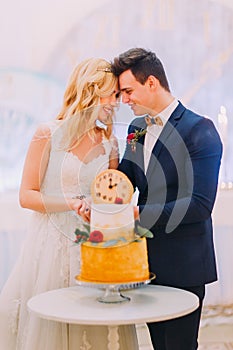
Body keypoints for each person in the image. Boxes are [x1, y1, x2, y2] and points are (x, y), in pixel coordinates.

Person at [0, 58, 139, 349]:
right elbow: (27, 195)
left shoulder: (110, 142)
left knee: (96, 328)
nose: (117, 102)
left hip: (91, 244)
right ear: (90, 91)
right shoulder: (47, 133)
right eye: (113, 94)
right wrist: (71, 202)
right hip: (50, 245)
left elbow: (108, 196)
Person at [111, 48, 223, 350]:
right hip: (145, 264)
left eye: (128, 91)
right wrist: (99, 198)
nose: (125, 101)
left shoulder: (201, 130)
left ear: (151, 83)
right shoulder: (136, 130)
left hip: (185, 266)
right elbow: (126, 177)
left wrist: (138, 216)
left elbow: (200, 205)